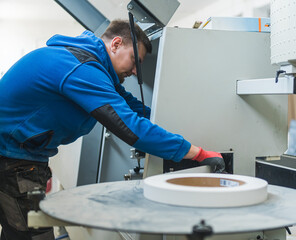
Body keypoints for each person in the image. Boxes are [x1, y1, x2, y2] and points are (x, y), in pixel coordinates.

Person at [0, 19, 225, 239]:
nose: (136, 71)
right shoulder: (81, 69)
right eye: (134, 61)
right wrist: (198, 153)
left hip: (18, 156)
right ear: (116, 44)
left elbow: (135, 108)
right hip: (11, 159)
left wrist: (179, 126)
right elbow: (130, 127)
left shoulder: (90, 64)